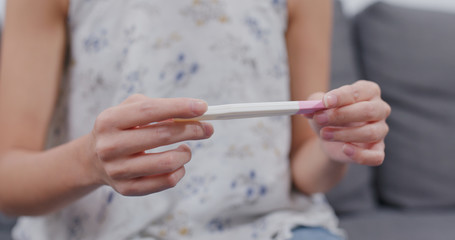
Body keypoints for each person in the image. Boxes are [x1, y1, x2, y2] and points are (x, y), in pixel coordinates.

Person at [0, 0, 390, 239]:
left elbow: (304, 173)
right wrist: (88, 162)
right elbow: (8, 179)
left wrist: (336, 145)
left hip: (270, 227)